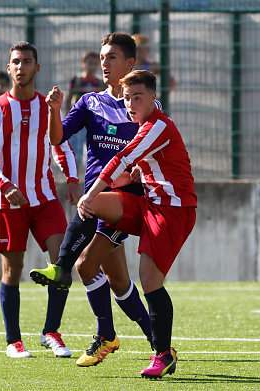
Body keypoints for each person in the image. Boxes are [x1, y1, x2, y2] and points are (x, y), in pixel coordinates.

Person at [30, 33, 156, 367]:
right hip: (94, 197)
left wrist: (141, 176)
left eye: (112, 57)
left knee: (85, 264)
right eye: (102, 56)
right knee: (117, 280)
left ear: (130, 63)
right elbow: (58, 137)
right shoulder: (89, 102)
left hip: (123, 204)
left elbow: (156, 150)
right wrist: (55, 110)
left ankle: (102, 329)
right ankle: (156, 340)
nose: (104, 62)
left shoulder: (142, 106)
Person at [75, 69, 196, 378]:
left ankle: (163, 353)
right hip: (148, 204)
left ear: (153, 97)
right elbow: (133, 171)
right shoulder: (146, 125)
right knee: (99, 205)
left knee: (149, 278)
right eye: (127, 98)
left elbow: (122, 159)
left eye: (137, 97)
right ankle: (85, 252)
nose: (130, 104)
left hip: (173, 210)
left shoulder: (157, 125)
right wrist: (104, 191)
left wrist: (89, 193)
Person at [0, 41, 79, 358]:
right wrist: (3, 184)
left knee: (63, 266)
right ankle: (13, 341)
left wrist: (72, 178)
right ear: (8, 68)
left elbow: (58, 143)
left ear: (37, 68)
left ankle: (51, 332)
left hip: (45, 198)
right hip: (9, 202)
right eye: (15, 62)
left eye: (27, 61)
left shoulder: (46, 106)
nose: (21, 67)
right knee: (13, 270)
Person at [64, 51, 104, 169]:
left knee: (92, 151)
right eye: (90, 63)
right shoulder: (77, 80)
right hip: (79, 123)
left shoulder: (100, 83)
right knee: (75, 151)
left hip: (94, 123)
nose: (92, 67)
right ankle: (75, 175)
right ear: (83, 63)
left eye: (95, 64)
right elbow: (69, 99)